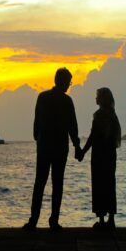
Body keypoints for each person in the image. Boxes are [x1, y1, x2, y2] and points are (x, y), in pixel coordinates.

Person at [23, 67, 81, 231]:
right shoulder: (67, 101)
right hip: (60, 148)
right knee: (57, 184)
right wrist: (77, 146)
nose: (69, 85)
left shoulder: (42, 97)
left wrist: (38, 138)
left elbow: (36, 123)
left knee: (39, 183)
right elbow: (73, 126)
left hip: (44, 147)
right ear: (63, 82)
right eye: (69, 82)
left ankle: (33, 220)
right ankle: (53, 220)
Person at [78, 87, 121, 229]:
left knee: (99, 185)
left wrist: (83, 152)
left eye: (97, 96)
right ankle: (111, 219)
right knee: (109, 185)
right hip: (109, 155)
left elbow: (92, 136)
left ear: (102, 99)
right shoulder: (113, 115)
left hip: (99, 155)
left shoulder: (98, 115)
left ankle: (102, 220)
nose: (95, 98)